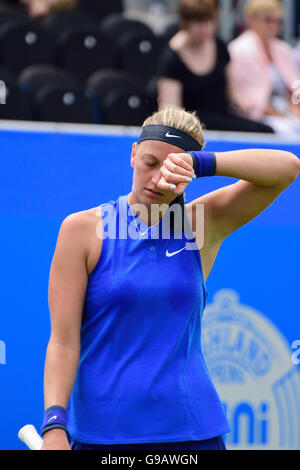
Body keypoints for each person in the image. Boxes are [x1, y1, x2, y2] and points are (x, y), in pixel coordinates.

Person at [40, 106, 299, 451]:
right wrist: (54, 423)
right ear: (133, 155)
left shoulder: (201, 224)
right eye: (150, 163)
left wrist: (206, 164)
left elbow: (287, 168)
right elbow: (63, 341)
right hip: (102, 435)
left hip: (193, 433)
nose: (157, 179)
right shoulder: (81, 230)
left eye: (173, 169)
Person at [156, 0, 274, 133]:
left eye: (208, 22)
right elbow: (170, 108)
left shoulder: (220, 47)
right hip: (191, 125)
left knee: (265, 130)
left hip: (222, 117)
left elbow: (233, 93)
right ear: (185, 24)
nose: (204, 29)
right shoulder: (172, 57)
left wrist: (247, 104)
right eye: (198, 23)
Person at [228, 0, 300, 136]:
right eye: (268, 20)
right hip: (257, 116)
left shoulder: (282, 49)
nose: (273, 25)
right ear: (251, 20)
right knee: (287, 132)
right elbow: (238, 94)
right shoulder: (238, 49)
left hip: (288, 114)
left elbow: (295, 87)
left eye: (278, 21)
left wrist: (294, 110)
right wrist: (277, 114)